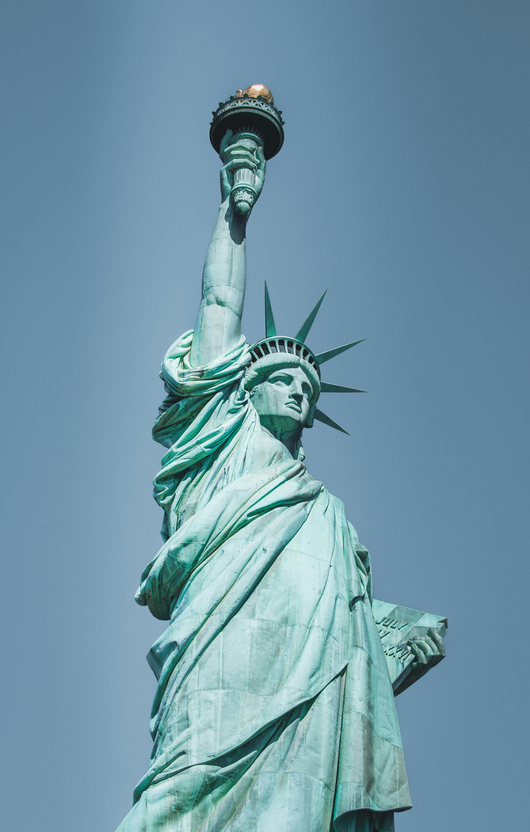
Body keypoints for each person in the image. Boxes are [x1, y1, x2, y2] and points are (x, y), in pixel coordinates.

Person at [116, 131, 443, 832]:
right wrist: (236, 206)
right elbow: (217, 304)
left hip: (313, 684)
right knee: (179, 794)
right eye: (280, 379)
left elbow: (353, 624)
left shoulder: (327, 512)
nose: (296, 392)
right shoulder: (217, 444)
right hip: (218, 653)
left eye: (307, 387)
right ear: (243, 387)